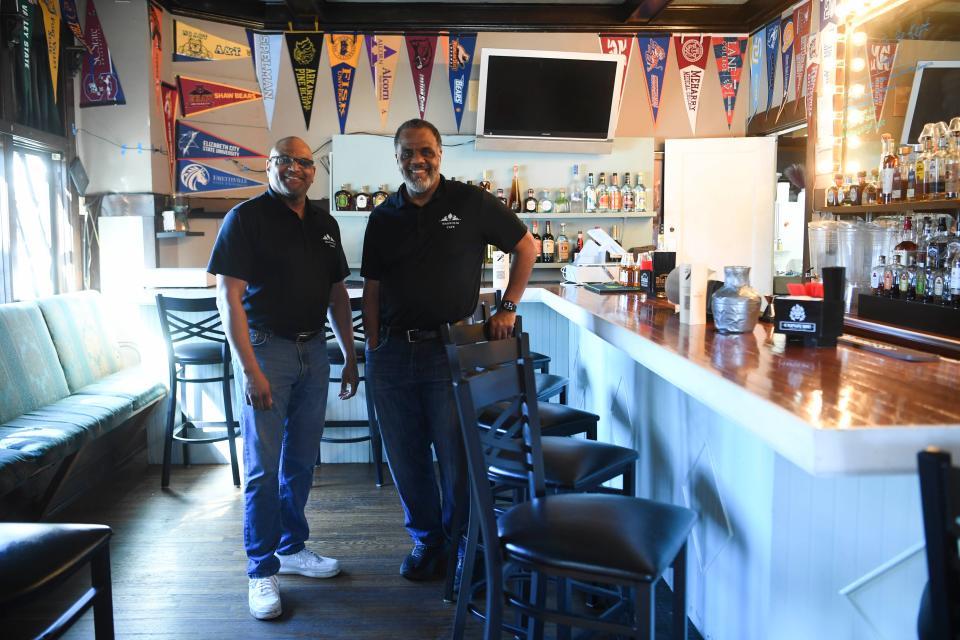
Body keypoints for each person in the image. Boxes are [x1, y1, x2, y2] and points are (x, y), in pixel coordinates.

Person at [361, 119, 537, 580]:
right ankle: (427, 542)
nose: (417, 161)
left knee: (455, 457)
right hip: (393, 354)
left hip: (451, 350)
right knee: (405, 456)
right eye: (407, 153)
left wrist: (508, 307)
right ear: (396, 157)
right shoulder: (383, 217)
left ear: (440, 153)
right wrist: (372, 346)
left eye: (425, 151)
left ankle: (464, 547)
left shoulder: (470, 202)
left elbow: (526, 247)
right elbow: (372, 288)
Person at [208, 136, 359, 620]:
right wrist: (250, 369)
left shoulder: (324, 223)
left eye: (302, 162)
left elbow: (337, 295)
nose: (294, 168)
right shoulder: (246, 219)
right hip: (266, 349)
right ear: (268, 165)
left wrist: (350, 354)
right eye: (284, 161)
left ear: (313, 172)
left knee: (299, 462)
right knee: (262, 467)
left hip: (315, 351)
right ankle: (260, 570)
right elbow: (227, 298)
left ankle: (292, 547)